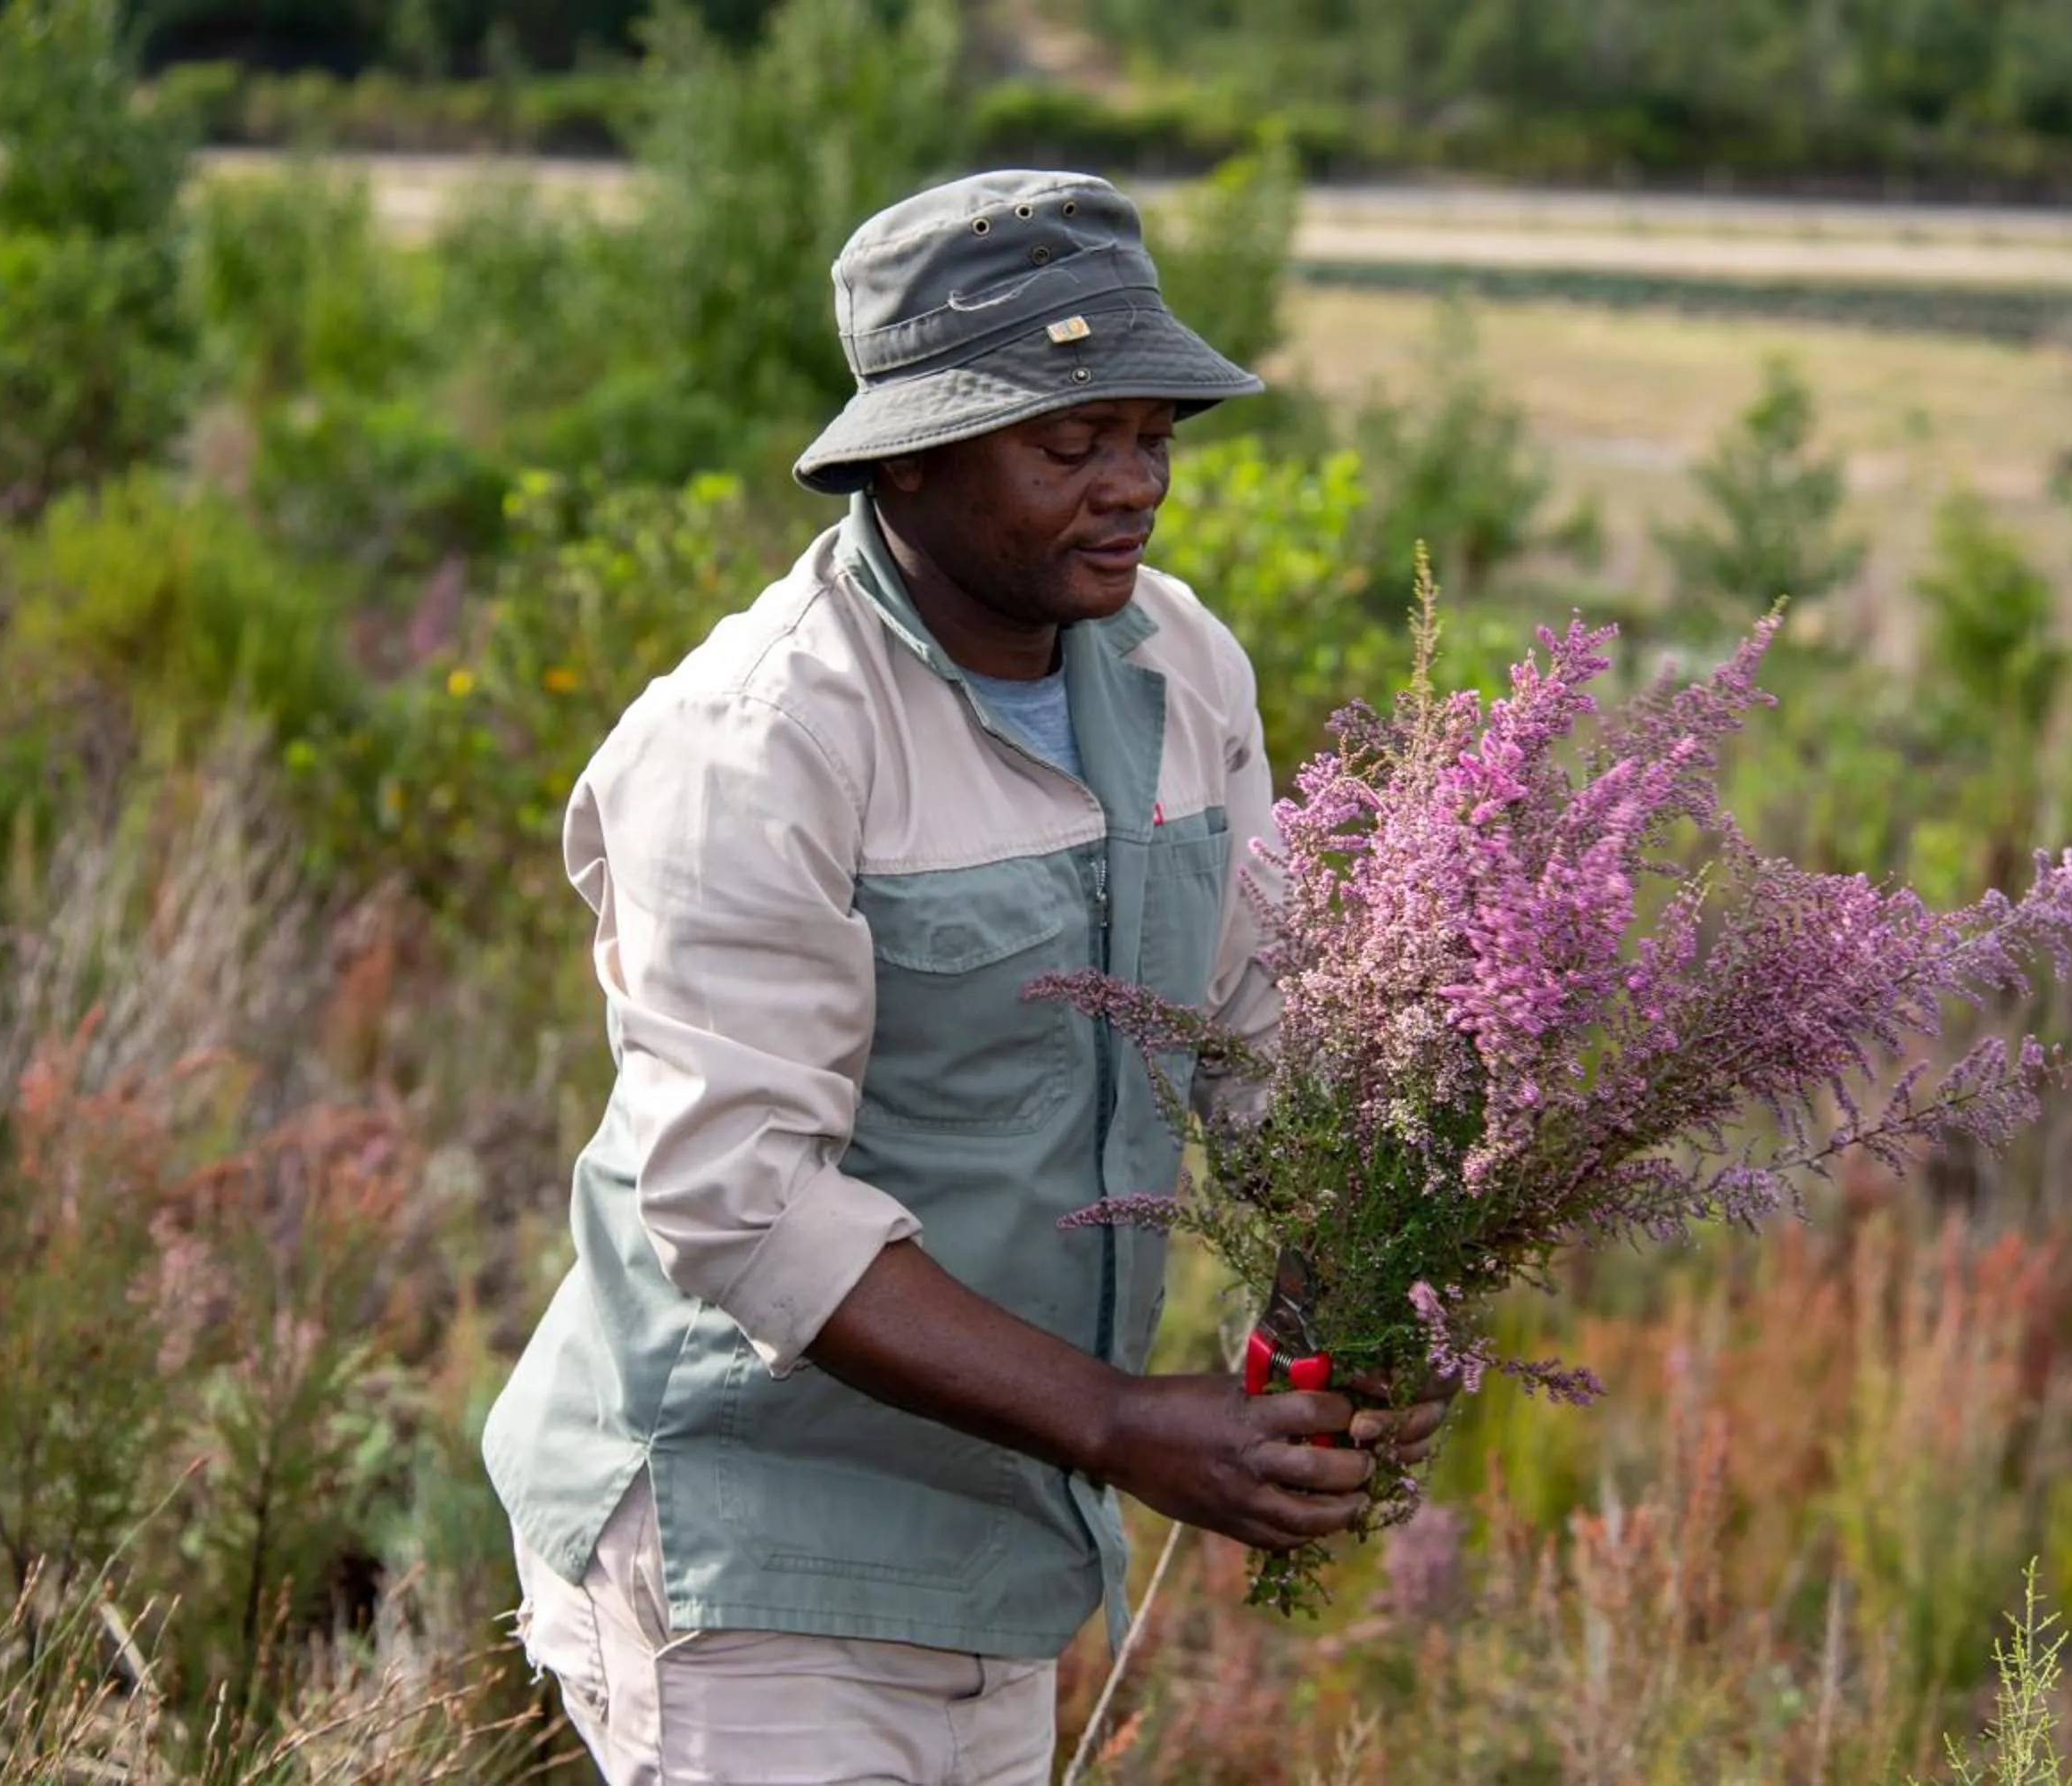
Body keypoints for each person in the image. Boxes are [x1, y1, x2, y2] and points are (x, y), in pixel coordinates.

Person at [485, 168, 1448, 1785]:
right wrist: (1130, 1423)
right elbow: (743, 1204)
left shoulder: (1179, 663)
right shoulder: (762, 740)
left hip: (1004, 1550)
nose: (1130, 484)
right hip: (753, 1542)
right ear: (909, 455)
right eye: (1067, 444)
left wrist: (1345, 1319)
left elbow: (1260, 1033)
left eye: (1150, 435)